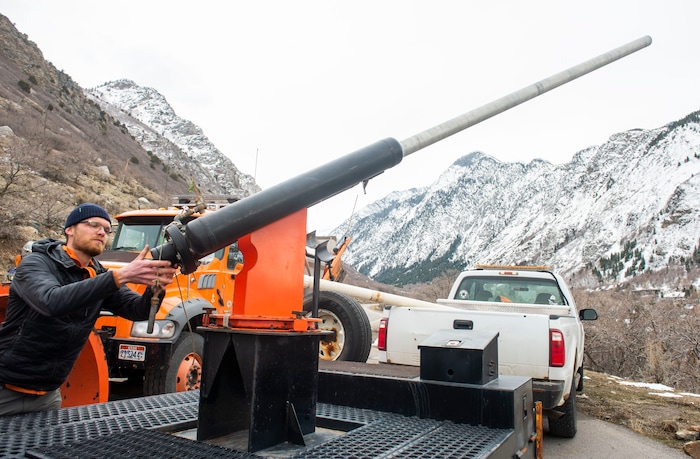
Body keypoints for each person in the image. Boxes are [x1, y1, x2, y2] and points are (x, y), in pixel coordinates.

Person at [0, 203, 177, 416]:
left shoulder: (96, 274)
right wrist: (120, 276)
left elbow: (136, 310)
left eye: (106, 229)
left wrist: (154, 290)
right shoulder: (35, 264)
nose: (102, 232)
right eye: (93, 225)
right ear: (70, 230)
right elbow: (51, 301)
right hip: (4, 387)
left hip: (47, 394)